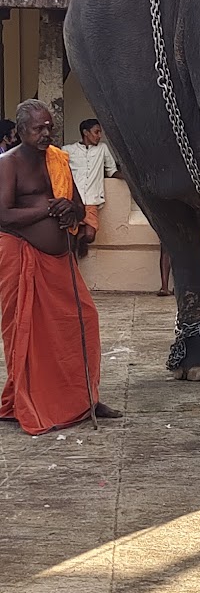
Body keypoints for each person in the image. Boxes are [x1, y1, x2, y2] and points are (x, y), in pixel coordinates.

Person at [0, 100, 120, 434]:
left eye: (49, 127)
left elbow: (79, 207)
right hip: (21, 253)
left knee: (84, 320)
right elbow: (3, 214)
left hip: (60, 260)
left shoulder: (58, 160)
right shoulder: (8, 164)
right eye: (38, 128)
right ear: (20, 131)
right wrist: (47, 210)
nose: (46, 133)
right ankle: (32, 400)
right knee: (28, 332)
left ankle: (85, 398)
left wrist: (69, 209)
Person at [63, 118, 119, 250]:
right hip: (73, 200)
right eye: (96, 132)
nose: (99, 136)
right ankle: (75, 255)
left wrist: (129, 178)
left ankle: (80, 242)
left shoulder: (102, 148)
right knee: (69, 238)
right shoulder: (67, 150)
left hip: (91, 200)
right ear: (86, 133)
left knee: (89, 235)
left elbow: (112, 171)